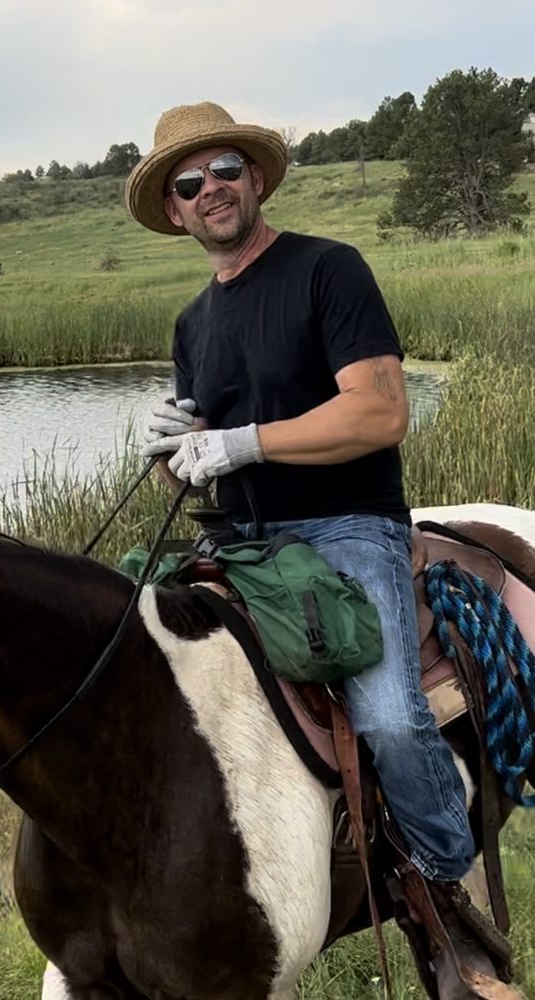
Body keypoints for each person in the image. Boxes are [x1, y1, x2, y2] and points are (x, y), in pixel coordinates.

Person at [125, 101, 502, 981]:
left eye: (223, 169)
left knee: (389, 717)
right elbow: (195, 468)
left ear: (254, 178)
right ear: (176, 211)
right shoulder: (192, 324)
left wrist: (246, 440)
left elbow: (380, 411)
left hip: (345, 527)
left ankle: (444, 889)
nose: (209, 190)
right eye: (189, 184)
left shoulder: (328, 271)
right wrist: (170, 454)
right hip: (237, 540)